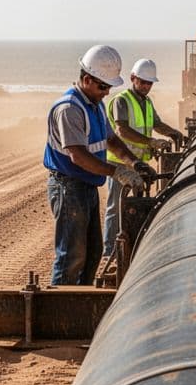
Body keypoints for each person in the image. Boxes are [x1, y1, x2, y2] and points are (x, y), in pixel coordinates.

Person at [43, 45, 150, 285]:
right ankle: (62, 308)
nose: (107, 91)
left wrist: (134, 163)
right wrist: (117, 171)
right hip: (68, 188)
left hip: (86, 186)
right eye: (103, 86)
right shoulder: (70, 108)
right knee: (72, 256)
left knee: (92, 254)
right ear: (87, 79)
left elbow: (111, 140)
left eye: (109, 86)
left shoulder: (96, 105)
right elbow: (78, 156)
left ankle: (79, 302)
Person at [102, 58, 185, 257]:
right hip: (120, 162)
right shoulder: (122, 100)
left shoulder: (146, 102)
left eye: (150, 83)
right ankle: (110, 252)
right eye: (143, 82)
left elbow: (157, 123)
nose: (147, 86)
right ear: (133, 78)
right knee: (117, 206)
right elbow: (122, 131)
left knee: (135, 206)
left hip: (138, 163)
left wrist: (174, 133)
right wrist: (152, 142)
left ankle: (131, 246)